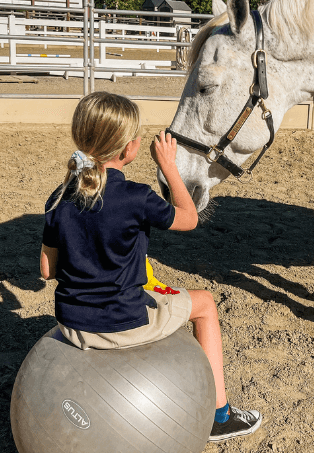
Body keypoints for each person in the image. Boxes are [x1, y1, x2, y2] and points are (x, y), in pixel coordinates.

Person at [39, 92, 262, 442]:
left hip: (72, 326)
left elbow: (47, 270)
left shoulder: (59, 196)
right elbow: (189, 219)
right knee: (205, 304)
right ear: (130, 148)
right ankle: (220, 416)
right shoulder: (136, 196)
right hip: (122, 324)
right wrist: (170, 168)